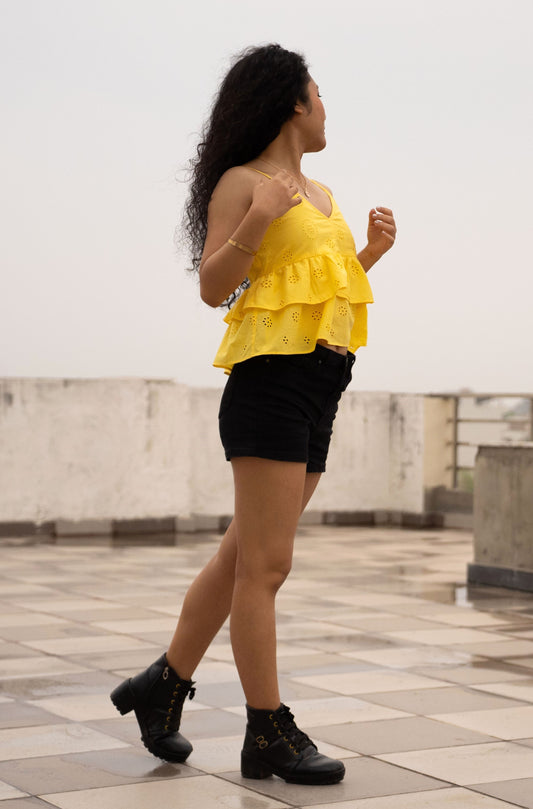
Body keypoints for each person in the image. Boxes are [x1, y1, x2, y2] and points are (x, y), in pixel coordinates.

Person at [111, 43, 396, 786]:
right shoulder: (243, 183)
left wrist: (366, 255)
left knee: (243, 556)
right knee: (267, 566)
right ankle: (267, 731)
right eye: (319, 94)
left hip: (321, 384)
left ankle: (162, 684)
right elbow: (215, 286)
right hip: (270, 383)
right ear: (293, 103)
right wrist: (259, 216)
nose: (326, 107)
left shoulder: (323, 193)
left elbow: (313, 290)